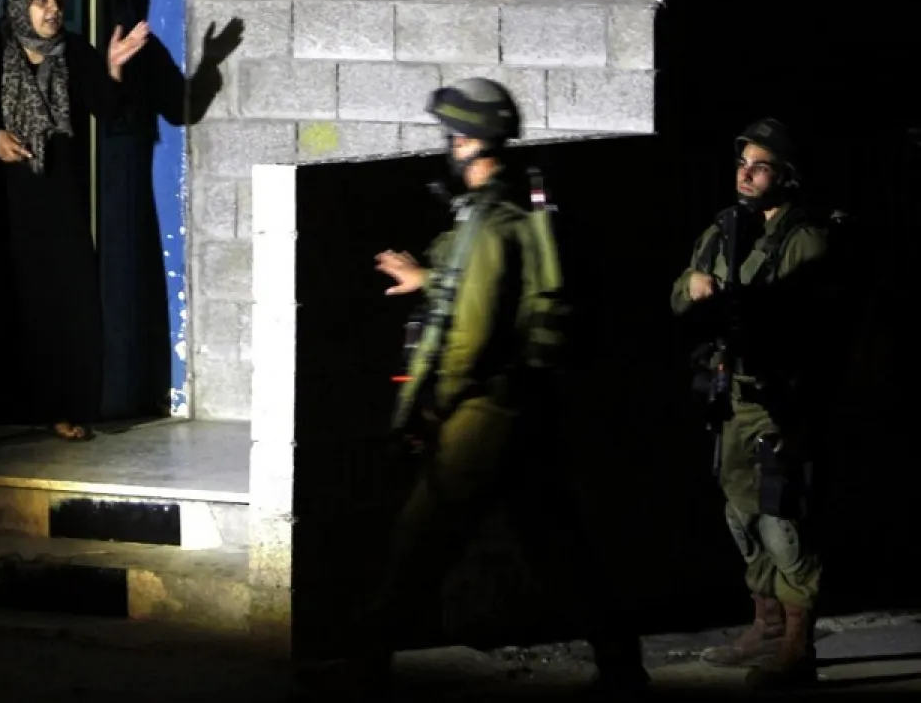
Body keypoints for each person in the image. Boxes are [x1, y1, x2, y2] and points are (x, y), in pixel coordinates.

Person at [351, 77, 647, 697]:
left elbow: (472, 332)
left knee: (418, 541)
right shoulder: (504, 214)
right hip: (521, 406)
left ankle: (364, 668)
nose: (448, 146)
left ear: (470, 142)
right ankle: (622, 664)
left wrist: (437, 406)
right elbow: (476, 287)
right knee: (556, 543)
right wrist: (428, 278)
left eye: (453, 136)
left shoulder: (490, 223)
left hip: (484, 412)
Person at [670, 118, 829, 689]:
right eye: (742, 164)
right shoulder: (724, 230)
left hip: (777, 397)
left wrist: (803, 414)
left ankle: (797, 646)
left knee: (780, 519)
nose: (746, 174)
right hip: (729, 393)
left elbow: (814, 330)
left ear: (785, 176)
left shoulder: (804, 240)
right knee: (741, 515)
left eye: (760, 166)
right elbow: (679, 296)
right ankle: (766, 626)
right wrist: (694, 286)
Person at [0, 0, 148, 441]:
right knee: (16, 299)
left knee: (68, 300)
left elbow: (109, 109)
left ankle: (65, 407)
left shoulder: (75, 52)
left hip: (62, 194)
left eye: (58, 0)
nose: (53, 9)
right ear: (21, 4)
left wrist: (113, 68)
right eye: (41, 0)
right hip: (6, 197)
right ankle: (7, 408)